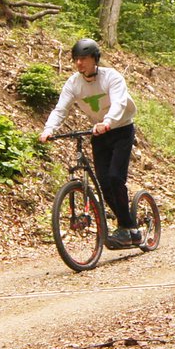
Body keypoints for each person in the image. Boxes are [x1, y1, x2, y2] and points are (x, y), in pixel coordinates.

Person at [40, 37, 140, 246]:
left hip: (121, 129)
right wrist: (49, 129)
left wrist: (108, 122)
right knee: (104, 184)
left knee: (115, 178)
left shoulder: (111, 77)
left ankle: (130, 228)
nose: (79, 63)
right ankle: (125, 225)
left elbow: (119, 103)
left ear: (95, 59)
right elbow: (61, 109)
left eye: (84, 58)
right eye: (76, 59)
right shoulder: (74, 83)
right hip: (99, 133)